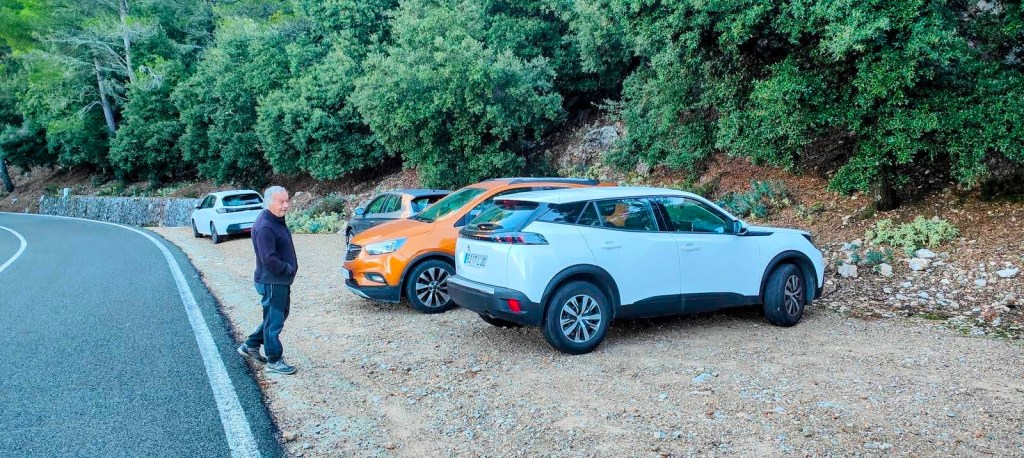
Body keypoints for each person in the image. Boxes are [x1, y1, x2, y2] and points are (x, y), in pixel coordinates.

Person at [237, 186, 298, 375]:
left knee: (277, 316)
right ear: (270, 202)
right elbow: (268, 258)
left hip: (279, 281)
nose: (286, 205)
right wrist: (287, 269)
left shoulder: (275, 220)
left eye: (287, 200)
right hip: (272, 281)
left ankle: (251, 345)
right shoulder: (265, 226)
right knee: (274, 322)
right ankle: (274, 360)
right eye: (281, 201)